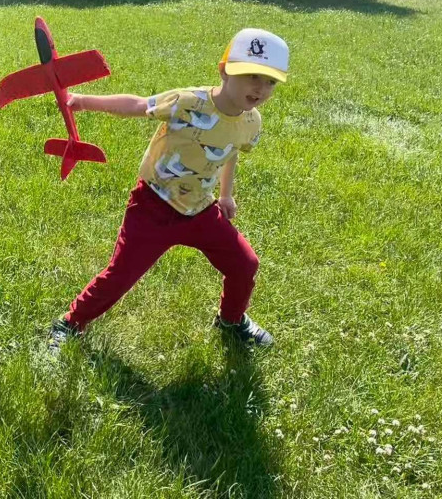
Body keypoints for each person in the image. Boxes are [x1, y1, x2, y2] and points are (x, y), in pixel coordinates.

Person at [49, 28, 289, 351]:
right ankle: (70, 322)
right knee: (121, 275)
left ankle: (231, 320)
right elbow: (138, 105)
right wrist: (81, 101)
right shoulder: (188, 102)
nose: (260, 88)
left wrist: (226, 195)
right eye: (251, 76)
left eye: (270, 81)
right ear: (224, 71)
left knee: (245, 264)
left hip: (200, 210)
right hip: (154, 206)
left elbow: (230, 153)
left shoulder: (251, 122)